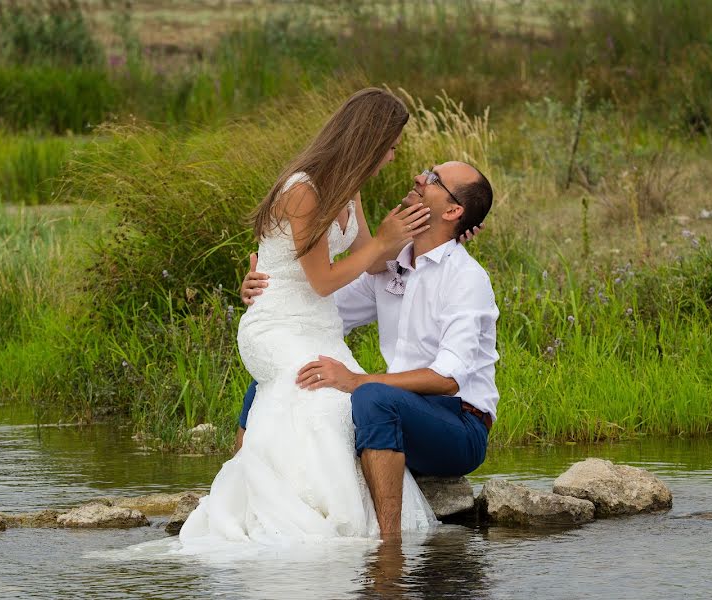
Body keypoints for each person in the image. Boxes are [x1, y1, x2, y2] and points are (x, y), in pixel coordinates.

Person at [178, 88, 438, 545]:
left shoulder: (348, 191)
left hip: (319, 327)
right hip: (275, 325)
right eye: (392, 146)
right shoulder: (304, 191)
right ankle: (300, 514)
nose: (394, 156)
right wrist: (381, 243)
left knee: (353, 399)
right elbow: (323, 280)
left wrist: (412, 228)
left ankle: (369, 526)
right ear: (370, 141)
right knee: (319, 397)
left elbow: (372, 262)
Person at [238, 161, 499, 536]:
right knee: (290, 369)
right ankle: (244, 487)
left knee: (372, 397)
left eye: (434, 179)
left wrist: (356, 380)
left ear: (454, 210)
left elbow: (447, 379)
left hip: (459, 425)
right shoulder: (389, 269)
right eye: (427, 170)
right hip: (404, 412)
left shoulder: (465, 278)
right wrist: (265, 291)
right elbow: (310, 316)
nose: (419, 178)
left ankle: (389, 545)